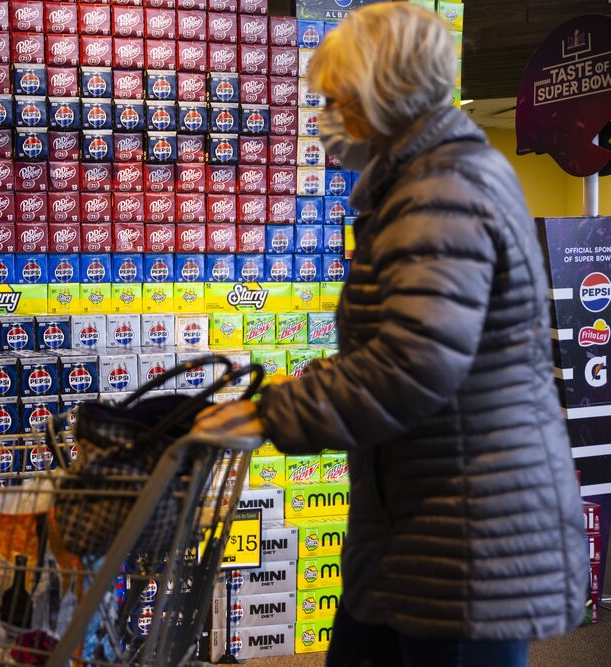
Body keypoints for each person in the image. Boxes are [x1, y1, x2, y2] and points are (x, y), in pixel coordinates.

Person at [194, 4, 589, 667]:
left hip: (467, 541)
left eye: (337, 95)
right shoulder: (424, 180)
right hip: (417, 522)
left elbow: (416, 362)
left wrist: (271, 412)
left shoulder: (443, 187)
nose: (325, 113)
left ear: (384, 92)